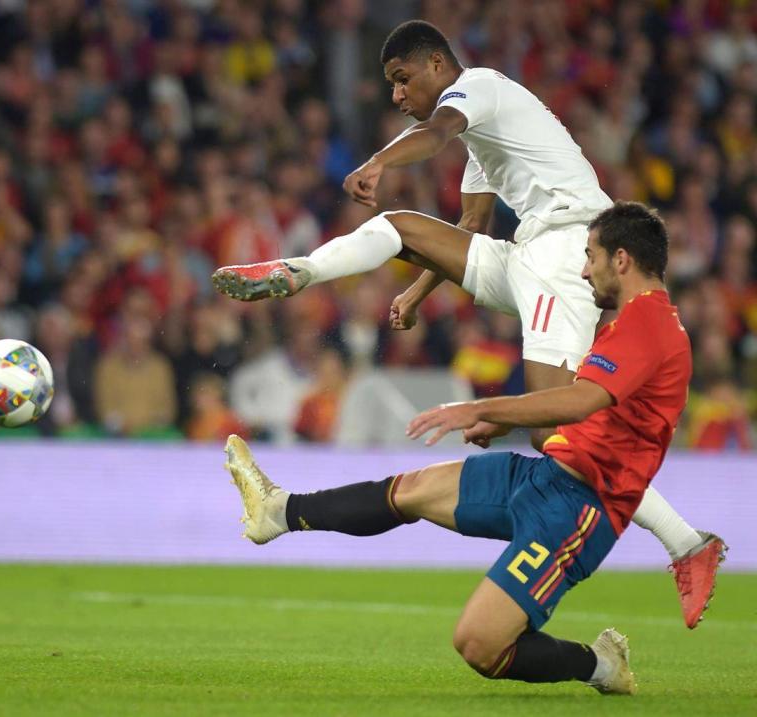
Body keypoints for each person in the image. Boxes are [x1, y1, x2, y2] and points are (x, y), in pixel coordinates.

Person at [211, 20, 723, 628]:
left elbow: (435, 132)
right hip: (530, 254)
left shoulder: (476, 89)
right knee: (400, 227)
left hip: (566, 251)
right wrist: (420, 288)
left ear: (435, 64)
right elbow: (473, 226)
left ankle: (688, 543)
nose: (398, 95)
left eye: (402, 80)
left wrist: (376, 161)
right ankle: (299, 271)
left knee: (553, 429)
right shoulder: (484, 139)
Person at [223, 203, 720, 694]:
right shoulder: (633, 323)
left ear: (622, 260)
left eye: (590, 256)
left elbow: (580, 400)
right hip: (547, 478)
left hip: (581, 511)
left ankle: (600, 666)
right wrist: (497, 424)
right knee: (410, 491)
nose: (583, 269)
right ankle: (279, 511)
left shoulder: (648, 325)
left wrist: (481, 411)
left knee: (479, 645)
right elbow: (593, 416)